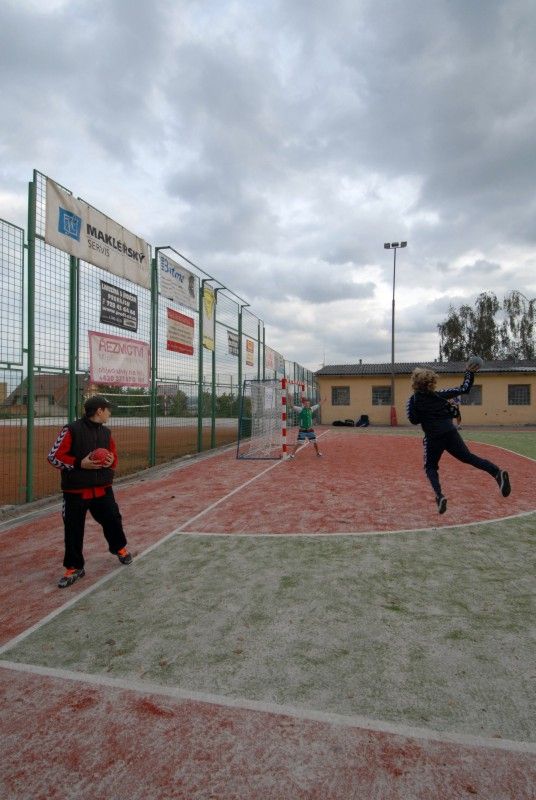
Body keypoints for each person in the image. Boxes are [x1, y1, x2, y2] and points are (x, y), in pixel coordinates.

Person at [47, 395, 133, 588]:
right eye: (108, 410)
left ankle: (119, 548)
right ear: (99, 411)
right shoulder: (71, 430)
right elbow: (53, 457)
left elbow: (114, 456)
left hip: (103, 489)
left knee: (113, 519)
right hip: (76, 491)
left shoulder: (106, 433)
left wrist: (112, 461)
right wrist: (79, 463)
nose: (110, 413)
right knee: (73, 529)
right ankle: (74, 567)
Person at [406, 363, 511, 514]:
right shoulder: (439, 395)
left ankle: (439, 496)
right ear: (431, 382)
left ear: (415, 383)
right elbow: (464, 389)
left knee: (430, 467)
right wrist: (469, 372)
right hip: (450, 432)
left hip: (433, 437)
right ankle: (496, 472)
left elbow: (413, 420)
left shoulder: (413, 401)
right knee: (468, 457)